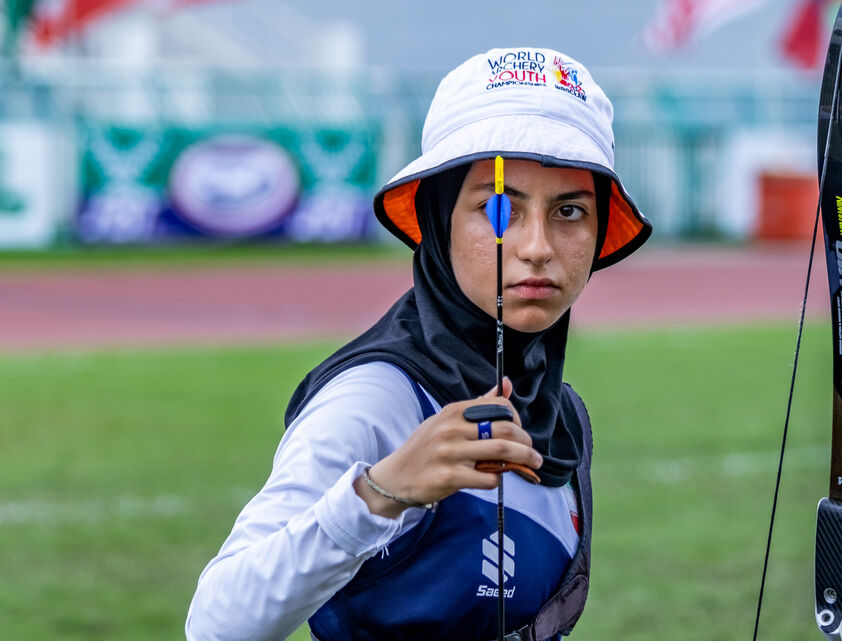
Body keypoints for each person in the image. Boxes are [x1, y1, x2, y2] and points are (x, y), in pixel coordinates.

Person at [186, 46, 651, 641]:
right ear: (438, 218)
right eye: (498, 208)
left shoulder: (563, 414)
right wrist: (380, 493)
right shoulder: (377, 398)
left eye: (568, 211)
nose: (537, 246)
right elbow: (217, 622)